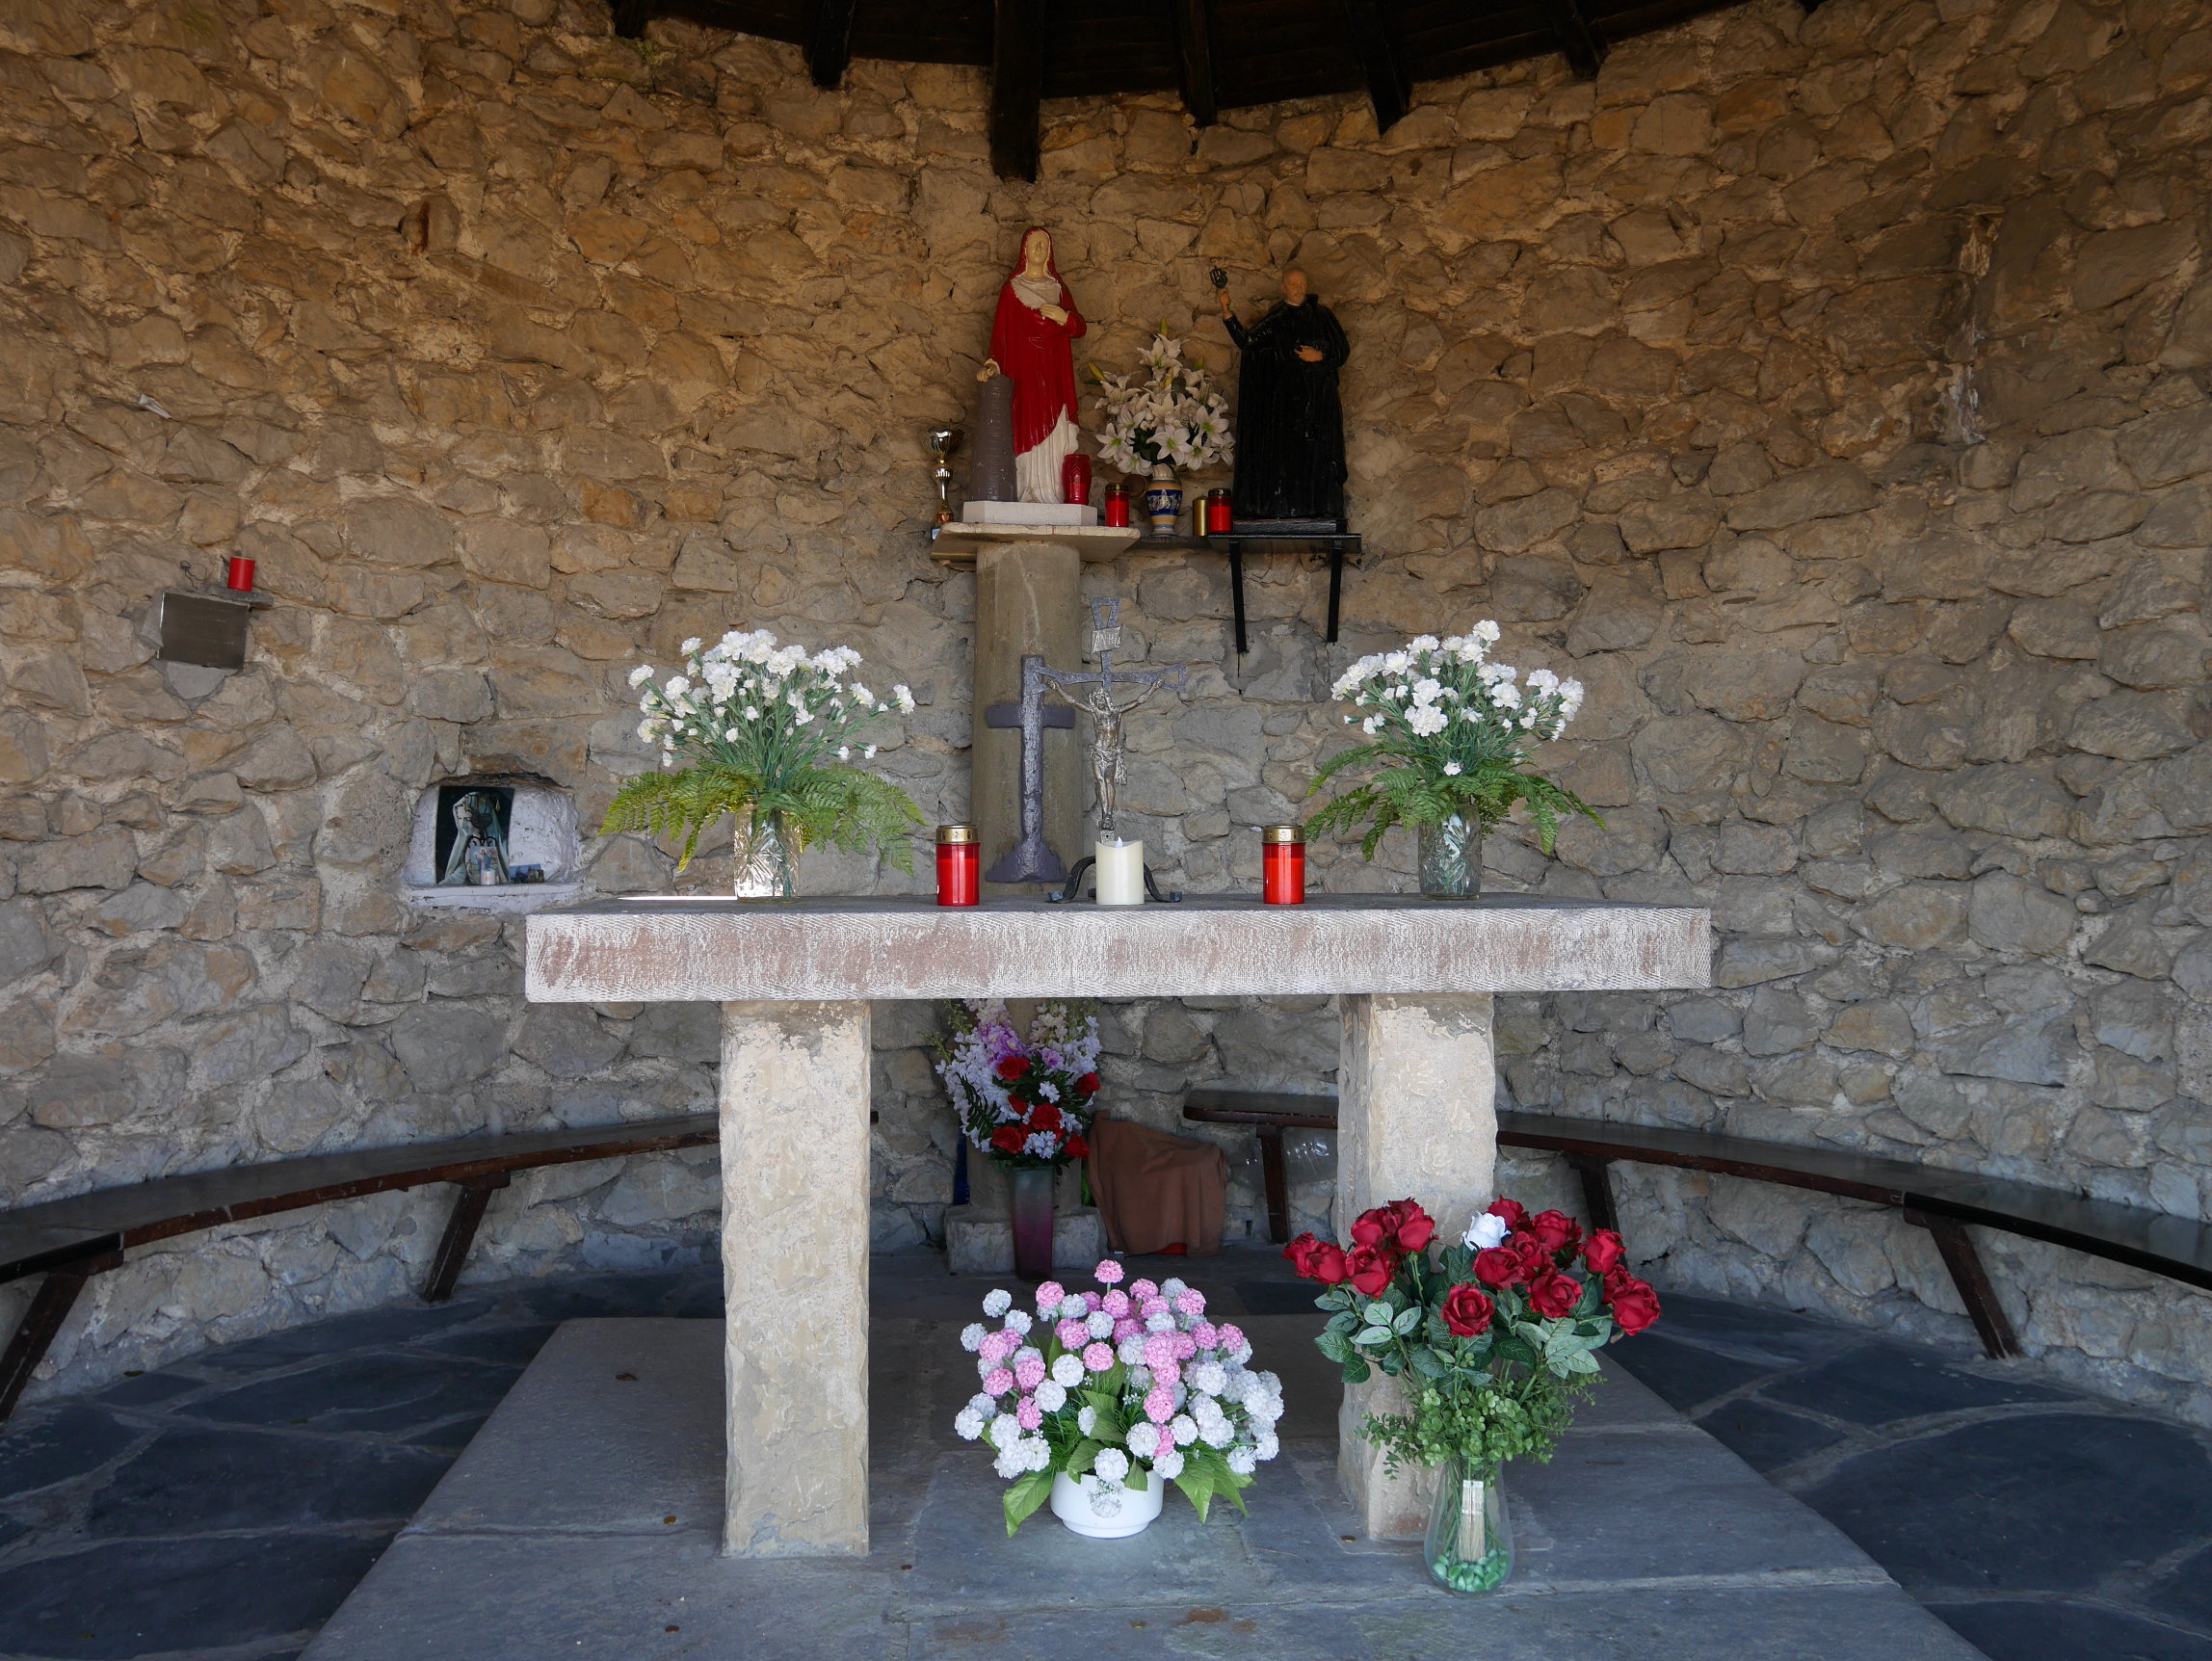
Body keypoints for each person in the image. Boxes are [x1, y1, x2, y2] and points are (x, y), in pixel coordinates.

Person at [1216, 268, 1350, 524]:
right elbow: (1248, 343)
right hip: (1286, 405)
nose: (1298, 288)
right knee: (1288, 457)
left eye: (1302, 283)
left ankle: (1320, 509)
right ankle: (1288, 508)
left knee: (1319, 455)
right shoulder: (1276, 320)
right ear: (1283, 288)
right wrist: (1226, 311)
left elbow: (1342, 350)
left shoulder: (1322, 316)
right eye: (1293, 284)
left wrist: (1321, 355)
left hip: (1318, 400)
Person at [984, 227, 1087, 503]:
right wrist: (993, 364)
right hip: (1023, 372)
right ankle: (1026, 490)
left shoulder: (1058, 289)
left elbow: (1079, 327)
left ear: (1050, 251)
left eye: (1044, 244)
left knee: (1057, 429)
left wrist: (1063, 317)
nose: (1039, 249)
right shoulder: (1011, 291)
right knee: (1024, 424)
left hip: (1053, 372)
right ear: (1025, 251)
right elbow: (1000, 335)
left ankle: (1051, 492)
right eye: (1034, 244)